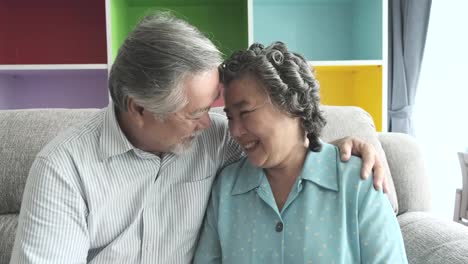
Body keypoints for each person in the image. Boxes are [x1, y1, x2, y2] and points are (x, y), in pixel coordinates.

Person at [10, 14, 388, 263]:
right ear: (139, 108)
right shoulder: (64, 169)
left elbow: (284, 139)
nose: (215, 123)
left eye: (212, 107)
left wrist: (346, 146)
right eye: (194, 113)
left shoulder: (215, 139)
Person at [193, 42, 407, 263]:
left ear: (292, 105)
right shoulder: (226, 188)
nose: (235, 131)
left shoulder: (357, 182)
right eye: (230, 117)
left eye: (245, 113)